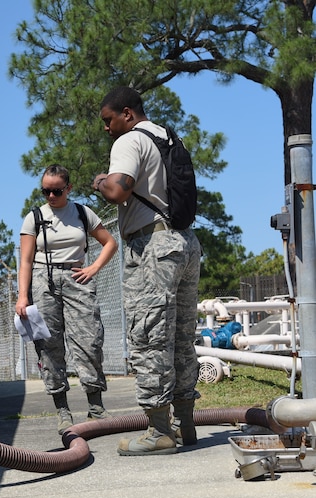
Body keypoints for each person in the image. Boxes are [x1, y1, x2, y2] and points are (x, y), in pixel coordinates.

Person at [93, 86, 202, 456]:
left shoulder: (129, 141)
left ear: (126, 113)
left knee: (149, 335)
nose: (106, 128)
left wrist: (100, 182)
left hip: (152, 247)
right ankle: (187, 425)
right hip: (184, 242)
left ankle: (159, 432)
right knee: (182, 337)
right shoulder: (167, 136)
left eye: (108, 120)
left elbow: (118, 191)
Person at [16, 165, 118, 435]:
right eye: (45, 191)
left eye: (56, 191)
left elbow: (110, 242)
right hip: (42, 280)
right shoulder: (34, 218)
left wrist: (93, 268)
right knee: (48, 345)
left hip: (77, 278)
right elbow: (25, 260)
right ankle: (62, 409)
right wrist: (23, 296)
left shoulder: (82, 213)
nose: (50, 196)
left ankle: (95, 405)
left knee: (89, 339)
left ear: (68, 188)